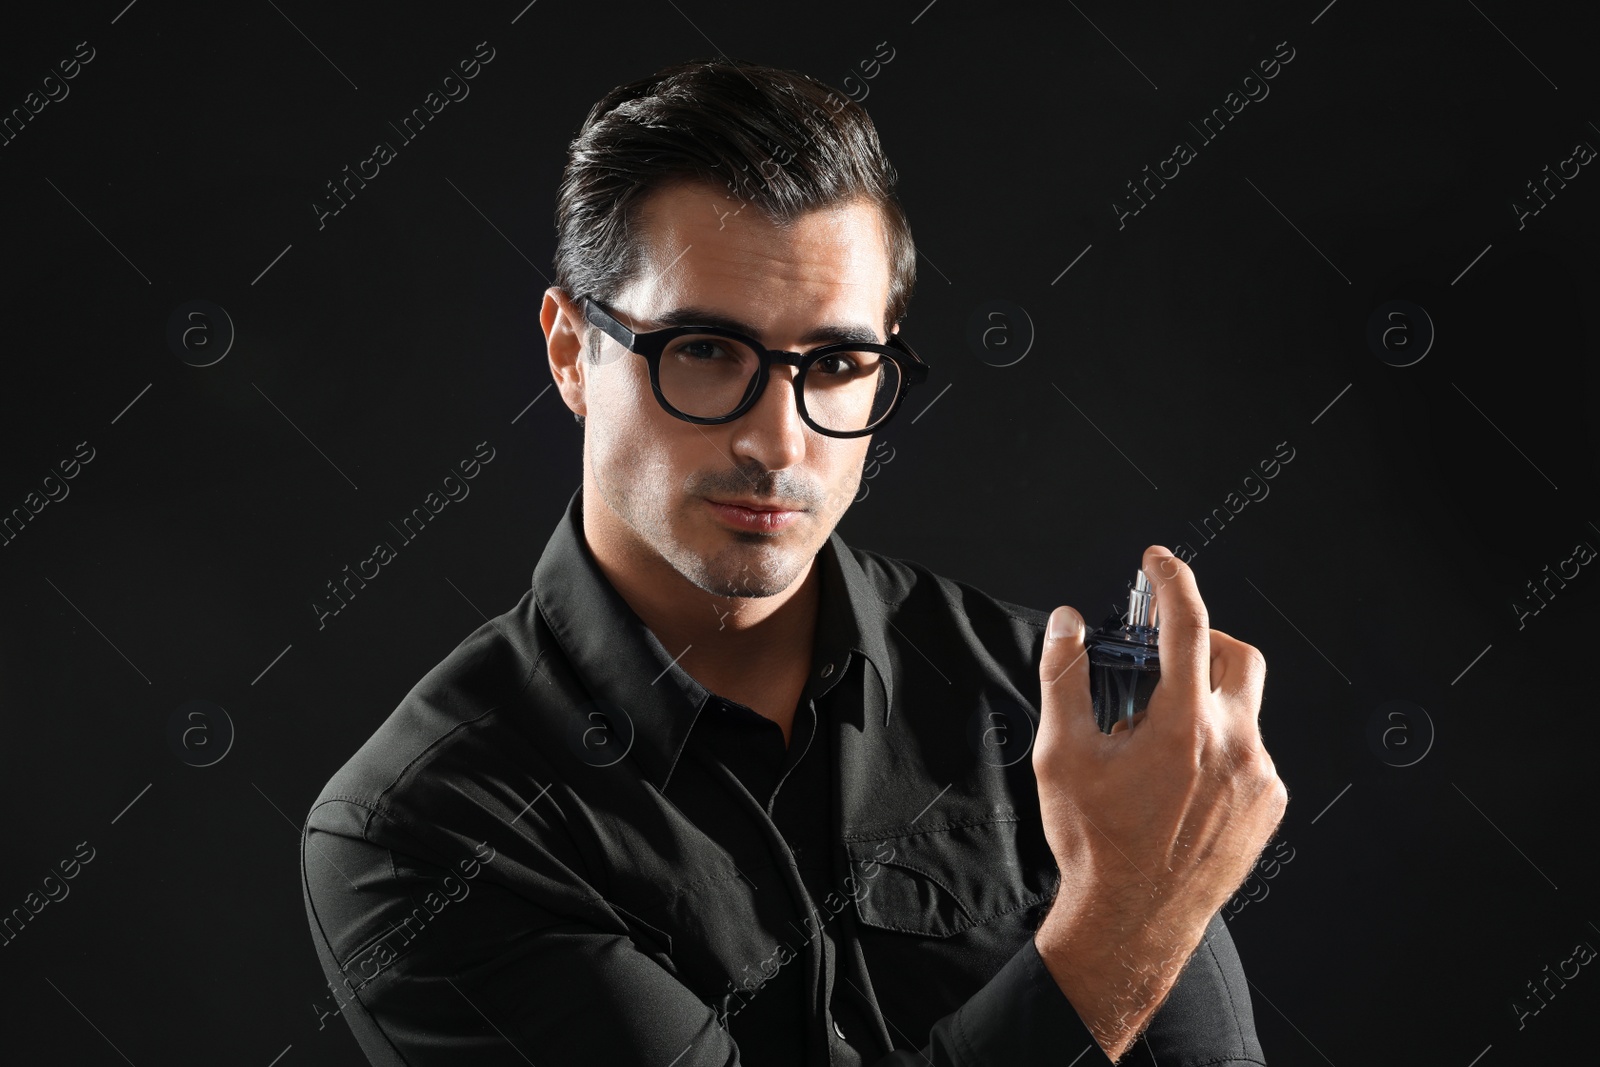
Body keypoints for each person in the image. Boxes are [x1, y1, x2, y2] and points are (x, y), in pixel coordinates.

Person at [300, 56, 1288, 1066]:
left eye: (836, 364)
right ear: (569, 352)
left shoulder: (1047, 704)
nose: (776, 442)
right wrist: (1123, 926)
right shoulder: (425, 829)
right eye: (703, 350)